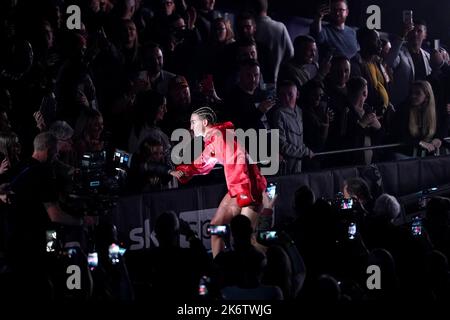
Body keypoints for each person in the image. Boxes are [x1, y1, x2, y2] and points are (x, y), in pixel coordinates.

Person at [172, 107, 267, 257]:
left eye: (193, 122)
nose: (190, 127)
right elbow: (202, 164)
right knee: (215, 228)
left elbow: (240, 159)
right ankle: (219, 267)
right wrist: (182, 171)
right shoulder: (214, 139)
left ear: (204, 122)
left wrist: (245, 193)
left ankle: (276, 261)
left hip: (248, 188)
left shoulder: (219, 136)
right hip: (239, 188)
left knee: (249, 241)